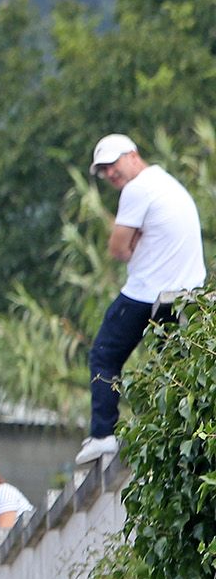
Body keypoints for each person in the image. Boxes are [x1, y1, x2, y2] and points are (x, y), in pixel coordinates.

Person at [77, 133, 207, 466]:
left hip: (148, 291)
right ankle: (183, 430)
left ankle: (103, 435)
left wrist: (133, 237)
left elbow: (117, 249)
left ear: (133, 155)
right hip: (188, 294)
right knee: (174, 367)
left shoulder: (138, 188)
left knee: (104, 356)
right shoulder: (168, 184)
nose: (109, 175)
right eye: (103, 171)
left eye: (112, 165)